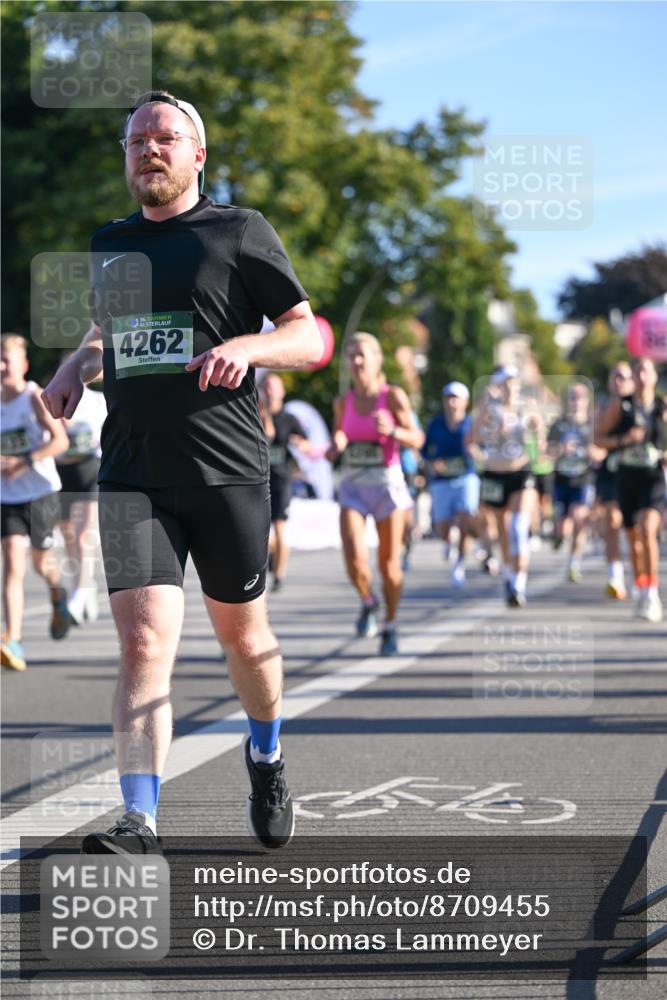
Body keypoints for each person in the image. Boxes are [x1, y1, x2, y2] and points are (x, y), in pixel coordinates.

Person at [41, 90, 322, 852]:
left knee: (245, 638)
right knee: (141, 644)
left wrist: (248, 348)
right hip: (133, 472)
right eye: (136, 140)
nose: (148, 149)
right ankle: (140, 820)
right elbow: (110, 334)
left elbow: (307, 335)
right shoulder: (109, 242)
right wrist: (71, 367)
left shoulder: (238, 231)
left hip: (225, 471)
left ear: (197, 154)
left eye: (164, 137)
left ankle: (265, 755)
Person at [328, 333, 424, 655]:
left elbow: (417, 438)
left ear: (377, 360)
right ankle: (368, 601)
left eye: (362, 355)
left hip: (386, 486)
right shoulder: (343, 402)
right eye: (351, 355)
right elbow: (340, 433)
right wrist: (336, 445)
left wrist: (394, 430)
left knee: (389, 565)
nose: (356, 361)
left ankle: (390, 624)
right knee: (354, 559)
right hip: (353, 485)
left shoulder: (392, 396)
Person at [1, 334, 70, 671]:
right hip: (8, 496)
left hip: (41, 492)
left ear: (23, 365)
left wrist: (24, 461)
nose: (1, 367)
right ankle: (13, 639)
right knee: (13, 562)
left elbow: (60, 442)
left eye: (6, 360)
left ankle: (58, 593)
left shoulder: (33, 397)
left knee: (41, 563)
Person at [595, 357, 665, 622]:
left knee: (647, 529)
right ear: (633, 378)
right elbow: (599, 438)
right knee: (634, 537)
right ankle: (641, 584)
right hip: (626, 476)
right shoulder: (620, 406)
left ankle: (652, 594)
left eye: (647, 371)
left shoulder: (661, 406)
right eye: (637, 372)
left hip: (652, 476)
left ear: (655, 376)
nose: (642, 376)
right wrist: (624, 439)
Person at [470, 366, 543, 608]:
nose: (510, 386)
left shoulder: (527, 406)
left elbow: (540, 434)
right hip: (495, 473)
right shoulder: (488, 409)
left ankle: (519, 583)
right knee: (502, 528)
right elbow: (472, 439)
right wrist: (486, 445)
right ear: (498, 386)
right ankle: (509, 574)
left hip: (520, 471)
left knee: (518, 527)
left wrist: (536, 432)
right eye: (506, 382)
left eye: (514, 381)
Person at [55, 357, 107, 625]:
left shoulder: (98, 401)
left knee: (84, 532)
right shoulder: (54, 398)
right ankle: (84, 585)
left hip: (90, 470)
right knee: (69, 537)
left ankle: (78, 595)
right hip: (62, 473)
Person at [422, 382, 479, 588]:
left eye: (456, 398)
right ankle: (448, 541)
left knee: (465, 519)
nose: (452, 402)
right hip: (442, 480)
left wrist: (476, 452)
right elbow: (424, 449)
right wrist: (432, 463)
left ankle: (459, 564)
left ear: (465, 402)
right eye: (448, 398)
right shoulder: (435, 424)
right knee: (443, 528)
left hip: (466, 477)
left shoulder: (473, 424)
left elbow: (483, 448)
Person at [259, 372, 309, 592]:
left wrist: (299, 443)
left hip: (281, 478)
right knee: (259, 529)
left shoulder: (289, 419)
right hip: (257, 478)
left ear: (282, 391)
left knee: (279, 526)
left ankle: (279, 575)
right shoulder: (255, 412)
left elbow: (306, 443)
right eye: (266, 386)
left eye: (274, 387)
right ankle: (271, 554)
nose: (270, 391)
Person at [547, 382, 598, 583]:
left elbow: (602, 451)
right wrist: (561, 449)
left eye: (580, 398)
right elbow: (547, 452)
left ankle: (573, 563)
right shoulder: (558, 425)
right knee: (563, 526)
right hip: (561, 479)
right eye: (573, 398)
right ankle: (558, 535)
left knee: (580, 517)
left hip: (584, 479)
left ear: (586, 401)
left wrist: (592, 452)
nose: (576, 402)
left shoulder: (593, 425)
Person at [593, 363, 635, 599]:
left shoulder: (641, 407)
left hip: (638, 474)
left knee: (636, 528)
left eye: (623, 377)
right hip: (611, 472)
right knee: (612, 521)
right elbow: (597, 440)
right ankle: (615, 576)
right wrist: (620, 442)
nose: (619, 381)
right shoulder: (603, 408)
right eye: (615, 377)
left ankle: (640, 575)